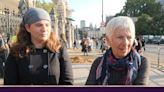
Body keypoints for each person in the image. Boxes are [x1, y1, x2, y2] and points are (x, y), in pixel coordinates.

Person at [4, 8, 73, 85]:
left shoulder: (59, 50)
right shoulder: (16, 52)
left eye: (47, 25)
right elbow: (9, 84)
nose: (44, 29)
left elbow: (68, 83)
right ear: (28, 28)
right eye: (39, 25)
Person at [86, 16, 149, 85]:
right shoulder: (98, 63)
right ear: (108, 40)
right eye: (120, 37)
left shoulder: (141, 63)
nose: (125, 43)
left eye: (129, 37)